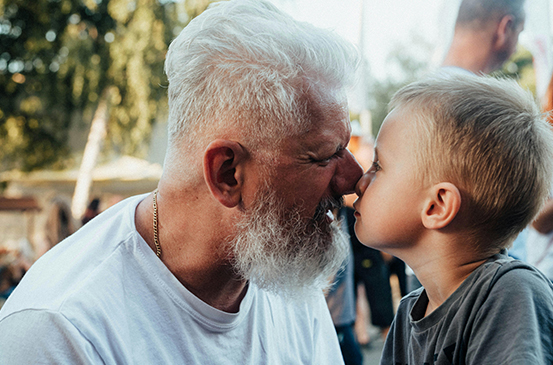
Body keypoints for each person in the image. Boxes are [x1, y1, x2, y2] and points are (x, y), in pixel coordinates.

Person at [0, 1, 364, 363]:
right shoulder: (61, 332)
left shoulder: (284, 277)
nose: (353, 178)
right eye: (325, 155)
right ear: (227, 174)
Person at [353, 74, 553, 364]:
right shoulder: (410, 311)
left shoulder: (509, 293)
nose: (359, 181)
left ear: (437, 205)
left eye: (378, 165)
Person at [442, 0, 525, 75]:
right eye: (518, 34)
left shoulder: (430, 84)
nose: (515, 50)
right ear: (505, 29)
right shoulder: (474, 91)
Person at [325, 207, 364, 365]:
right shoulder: (329, 224)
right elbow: (326, 279)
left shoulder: (342, 217)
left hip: (340, 314)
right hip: (333, 315)